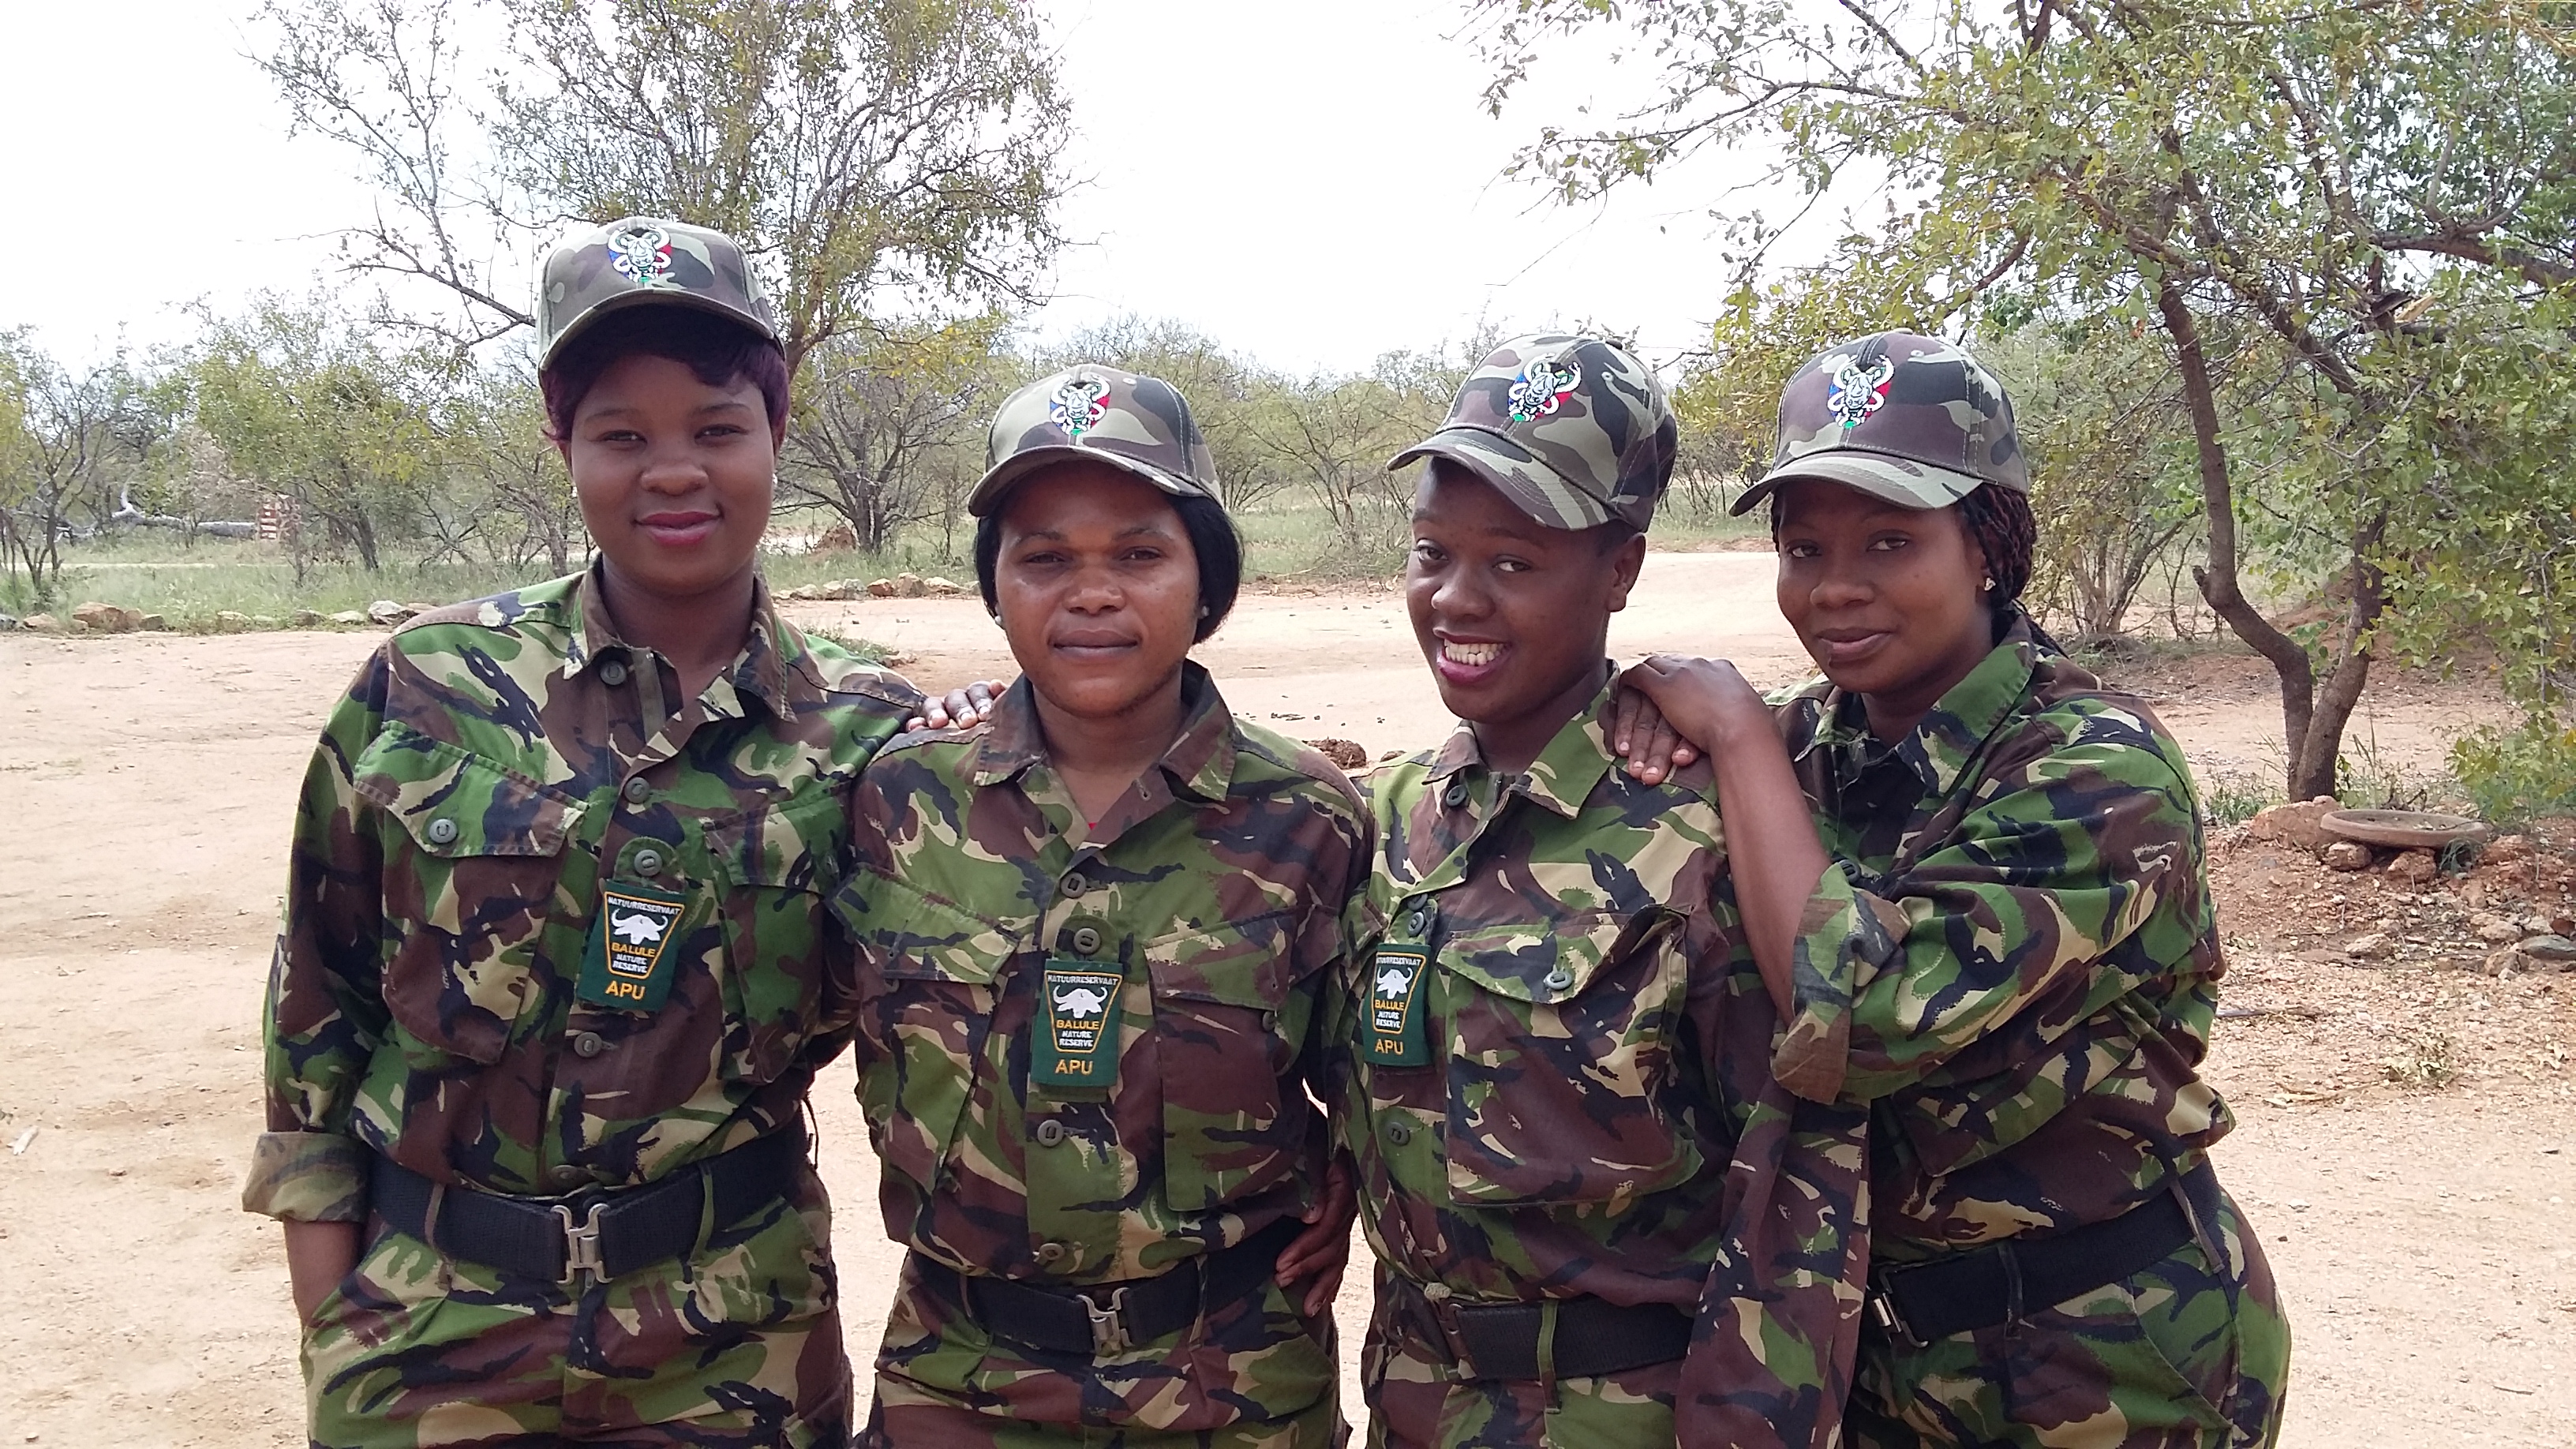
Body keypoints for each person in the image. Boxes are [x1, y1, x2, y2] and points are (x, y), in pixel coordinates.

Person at [243, 216, 918, 1447]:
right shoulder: (430, 682)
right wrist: (333, 1317)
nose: (674, 472)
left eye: (717, 429)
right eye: (622, 435)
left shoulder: (872, 732)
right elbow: (316, 1003)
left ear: (779, 434)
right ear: (563, 443)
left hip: (733, 1330)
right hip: (430, 1325)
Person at [1616, 331, 2291, 1448]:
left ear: (1987, 545)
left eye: (1891, 541)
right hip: (1876, 1352)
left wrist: (1731, 738)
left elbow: (1859, 1019)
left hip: (2109, 1352)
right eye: (1803, 547)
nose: (1834, 588)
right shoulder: (1807, 742)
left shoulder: (2093, 768)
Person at [1339, 334, 1870, 1449]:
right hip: (1414, 1402)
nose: (1457, 600)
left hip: (1626, 1411)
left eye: (1516, 564)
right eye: (1432, 553)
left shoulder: (1707, 831)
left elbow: (1797, 1183)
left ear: (1621, 569)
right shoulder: (1390, 819)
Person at [828, 365, 1372, 1447]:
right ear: (994, 588)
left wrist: (1346, 1181)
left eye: (1138, 553)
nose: (1091, 592)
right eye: (1044, 558)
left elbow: (1376, 1085)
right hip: (959, 1378)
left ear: (1205, 582)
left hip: (1235, 1379)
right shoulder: (897, 797)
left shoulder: (1310, 818)